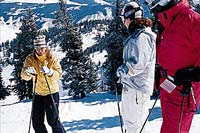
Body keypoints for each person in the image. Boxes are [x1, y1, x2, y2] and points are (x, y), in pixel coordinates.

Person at [145, 0, 200, 132]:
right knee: (169, 125)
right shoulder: (167, 21)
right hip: (169, 86)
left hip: (184, 90)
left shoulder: (191, 19)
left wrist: (193, 73)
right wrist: (159, 74)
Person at [117, 2, 156, 133]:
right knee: (130, 124)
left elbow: (138, 65)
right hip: (132, 87)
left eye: (123, 19)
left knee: (136, 126)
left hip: (137, 89)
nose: (123, 22)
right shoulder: (137, 35)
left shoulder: (143, 37)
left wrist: (123, 70)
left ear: (129, 18)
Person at [21, 34, 65, 133]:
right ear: (35, 48)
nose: (41, 51)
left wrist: (50, 72)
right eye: (38, 48)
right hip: (38, 93)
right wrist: (27, 72)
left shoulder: (51, 58)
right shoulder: (30, 59)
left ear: (45, 47)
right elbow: (23, 76)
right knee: (37, 122)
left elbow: (59, 74)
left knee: (53, 121)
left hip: (51, 93)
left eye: (42, 48)